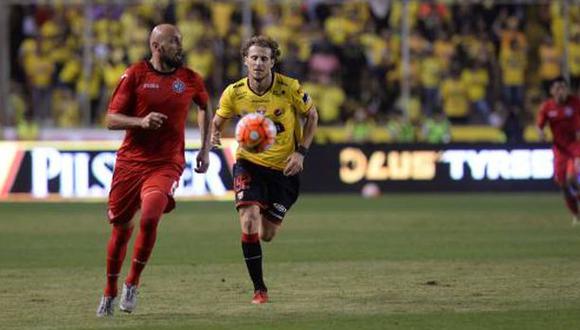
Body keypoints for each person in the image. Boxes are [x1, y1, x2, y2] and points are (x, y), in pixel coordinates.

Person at [96, 24, 212, 317]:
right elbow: (110, 119)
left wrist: (204, 148)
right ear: (156, 46)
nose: (180, 47)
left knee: (150, 215)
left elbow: (204, 107)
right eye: (174, 42)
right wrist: (141, 122)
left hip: (167, 163)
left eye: (180, 42)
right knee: (121, 230)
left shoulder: (190, 79)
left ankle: (132, 283)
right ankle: (109, 291)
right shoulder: (135, 75)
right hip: (130, 163)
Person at [211, 35, 318, 304]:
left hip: (285, 170)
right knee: (248, 220)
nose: (259, 63)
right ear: (245, 60)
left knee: (266, 235)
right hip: (249, 164)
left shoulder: (290, 88)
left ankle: (259, 247)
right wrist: (214, 134)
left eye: (264, 58)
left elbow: (312, 116)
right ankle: (259, 289)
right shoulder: (234, 93)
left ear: (273, 62)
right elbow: (218, 120)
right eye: (254, 58)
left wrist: (301, 152)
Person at [537, 77, 580, 226]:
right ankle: (576, 215)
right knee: (564, 185)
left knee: (572, 178)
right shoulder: (547, 107)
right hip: (560, 150)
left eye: (563, 88)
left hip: (576, 147)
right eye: (557, 88)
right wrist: (541, 133)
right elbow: (540, 125)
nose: (560, 91)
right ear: (551, 91)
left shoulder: (576, 103)